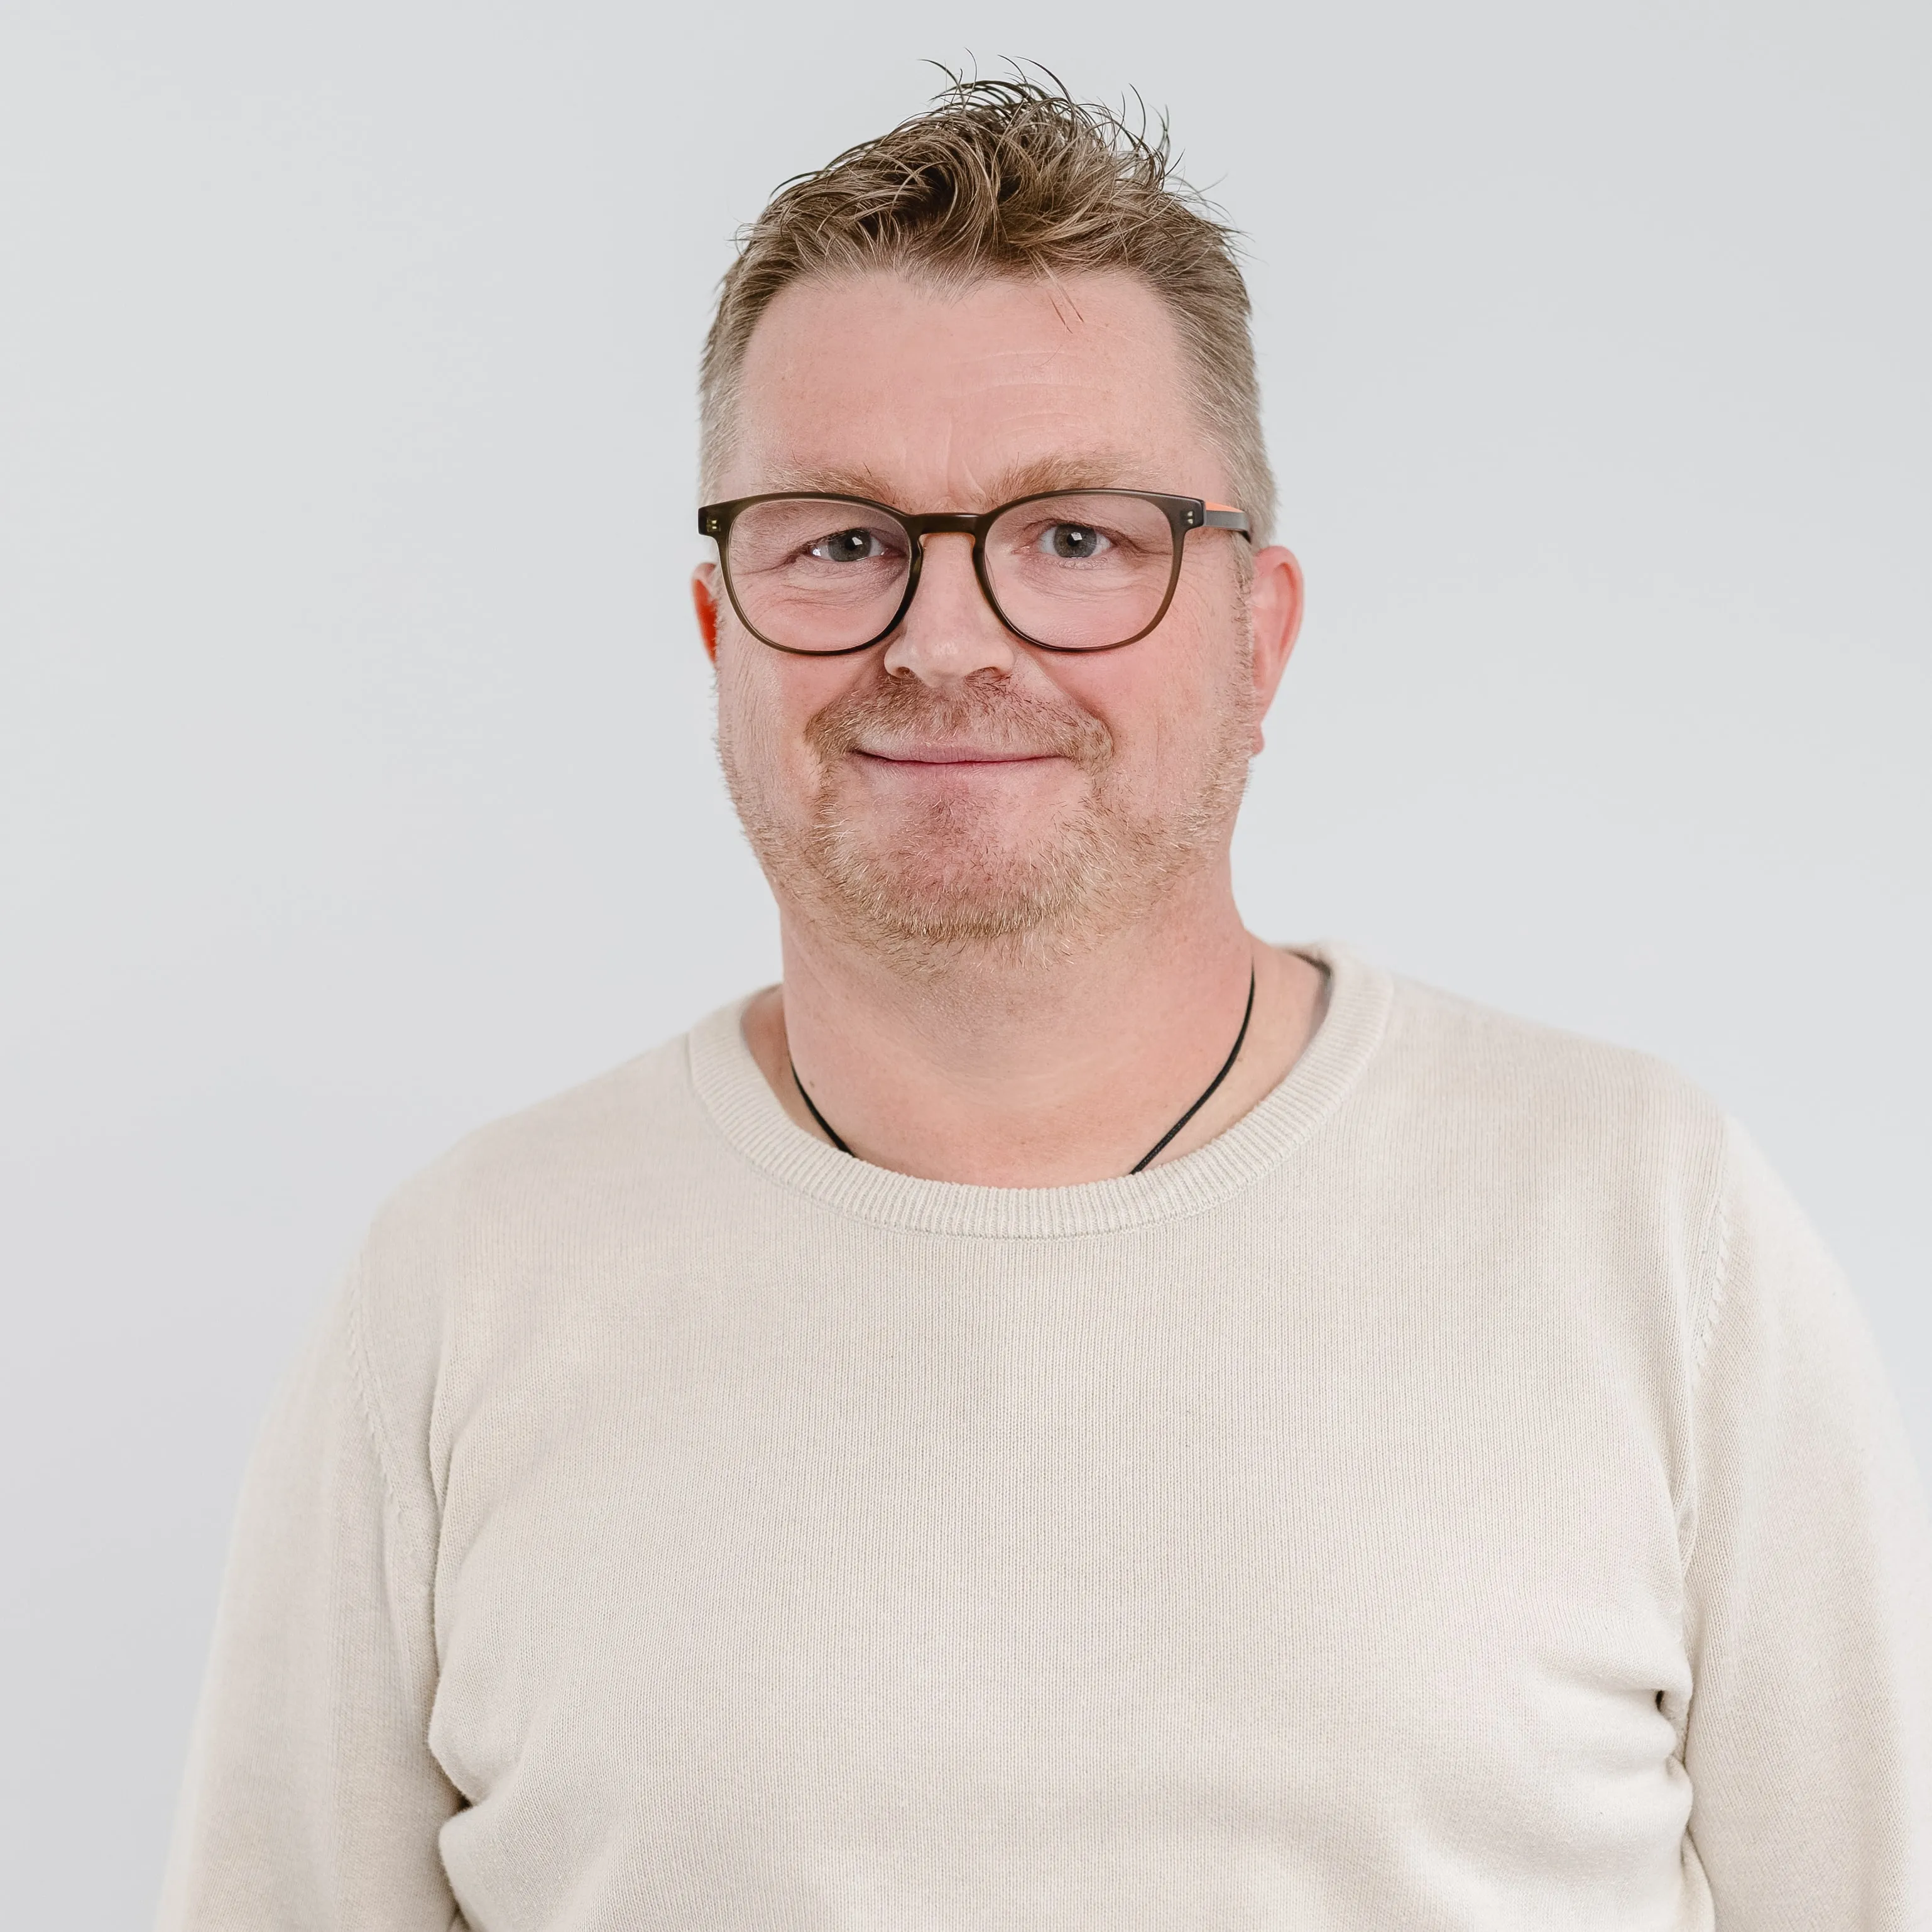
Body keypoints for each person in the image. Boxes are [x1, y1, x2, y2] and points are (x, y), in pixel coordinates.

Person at [157, 74, 1930, 1931]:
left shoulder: (1645, 1216)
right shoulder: (462, 1289)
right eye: (838, 538)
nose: (941, 639)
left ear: (1261, 631)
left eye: (1075, 538)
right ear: (719, 637)